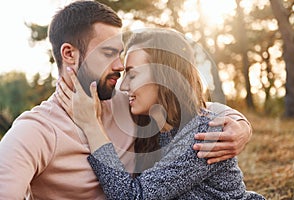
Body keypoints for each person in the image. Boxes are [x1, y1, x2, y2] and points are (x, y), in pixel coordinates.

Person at [0, 1, 251, 199]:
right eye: (109, 53)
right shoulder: (35, 131)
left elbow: (194, 110)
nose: (120, 68)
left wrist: (238, 125)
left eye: (122, 56)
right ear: (69, 54)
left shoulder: (128, 105)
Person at [57, 29, 265, 199]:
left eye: (133, 74)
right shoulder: (153, 127)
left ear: (164, 76)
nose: (124, 85)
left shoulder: (202, 135)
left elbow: (133, 197)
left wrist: (91, 125)